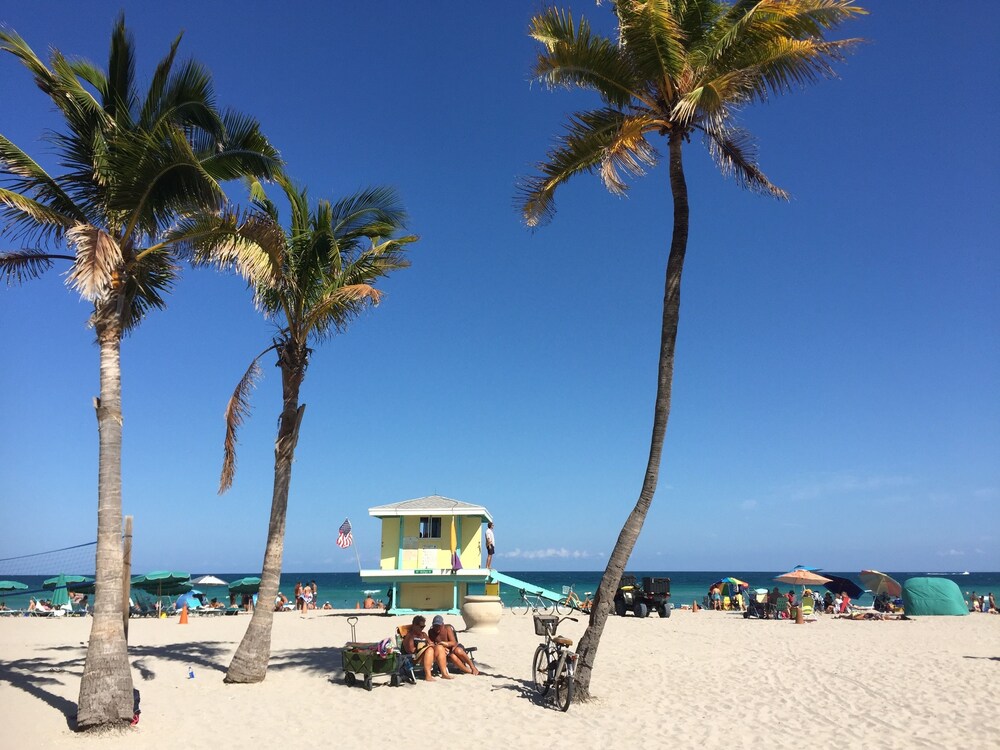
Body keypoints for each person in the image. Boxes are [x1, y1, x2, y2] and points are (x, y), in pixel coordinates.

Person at [402, 615, 452, 681]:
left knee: (439, 647)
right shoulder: (410, 636)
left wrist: (437, 647)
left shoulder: (424, 634)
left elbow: (431, 643)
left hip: (428, 655)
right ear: (414, 625)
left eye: (424, 626)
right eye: (421, 626)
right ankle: (428, 676)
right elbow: (410, 650)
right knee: (430, 649)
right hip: (415, 658)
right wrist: (423, 647)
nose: (422, 628)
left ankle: (444, 673)